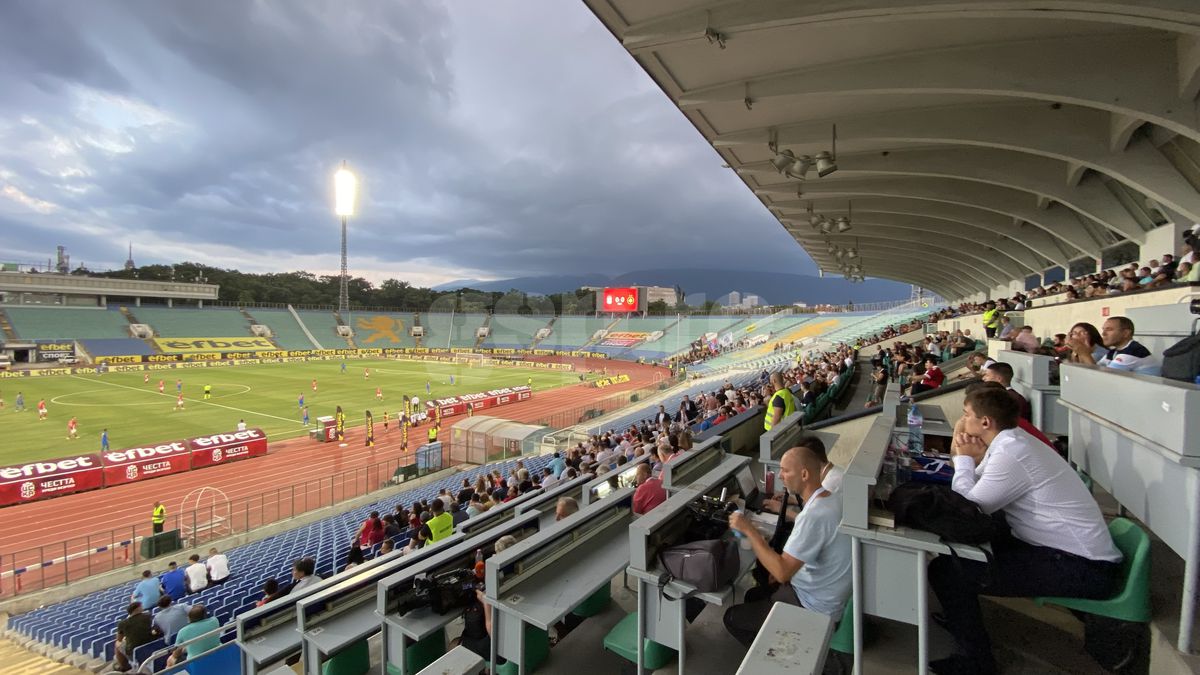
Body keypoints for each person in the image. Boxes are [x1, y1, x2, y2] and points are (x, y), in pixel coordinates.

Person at [928, 385, 1122, 674]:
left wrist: (965, 460)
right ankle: (960, 617)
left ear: (985, 423)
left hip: (1083, 568)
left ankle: (976, 662)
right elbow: (976, 484)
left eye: (966, 414)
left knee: (948, 571)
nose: (962, 419)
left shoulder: (1013, 452)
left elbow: (968, 509)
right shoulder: (1012, 443)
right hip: (1064, 554)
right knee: (962, 555)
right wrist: (968, 462)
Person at [723, 441, 852, 647]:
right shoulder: (831, 500)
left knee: (732, 617)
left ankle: (785, 654)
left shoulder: (813, 516)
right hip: (822, 593)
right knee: (752, 595)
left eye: (785, 470)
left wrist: (749, 530)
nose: (780, 476)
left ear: (804, 475)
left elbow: (782, 572)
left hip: (813, 607)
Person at [1069, 316, 1161, 375]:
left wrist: (1084, 354)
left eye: (1109, 329)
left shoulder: (1133, 351)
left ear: (1125, 333)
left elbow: (1102, 379)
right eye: (1103, 329)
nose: (1103, 333)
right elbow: (1097, 368)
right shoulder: (1114, 351)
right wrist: (1079, 352)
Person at [113, 602, 155, 672]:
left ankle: (123, 666)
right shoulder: (147, 616)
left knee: (117, 644)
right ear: (137, 609)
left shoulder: (123, 623)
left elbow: (119, 639)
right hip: (149, 644)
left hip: (133, 650)